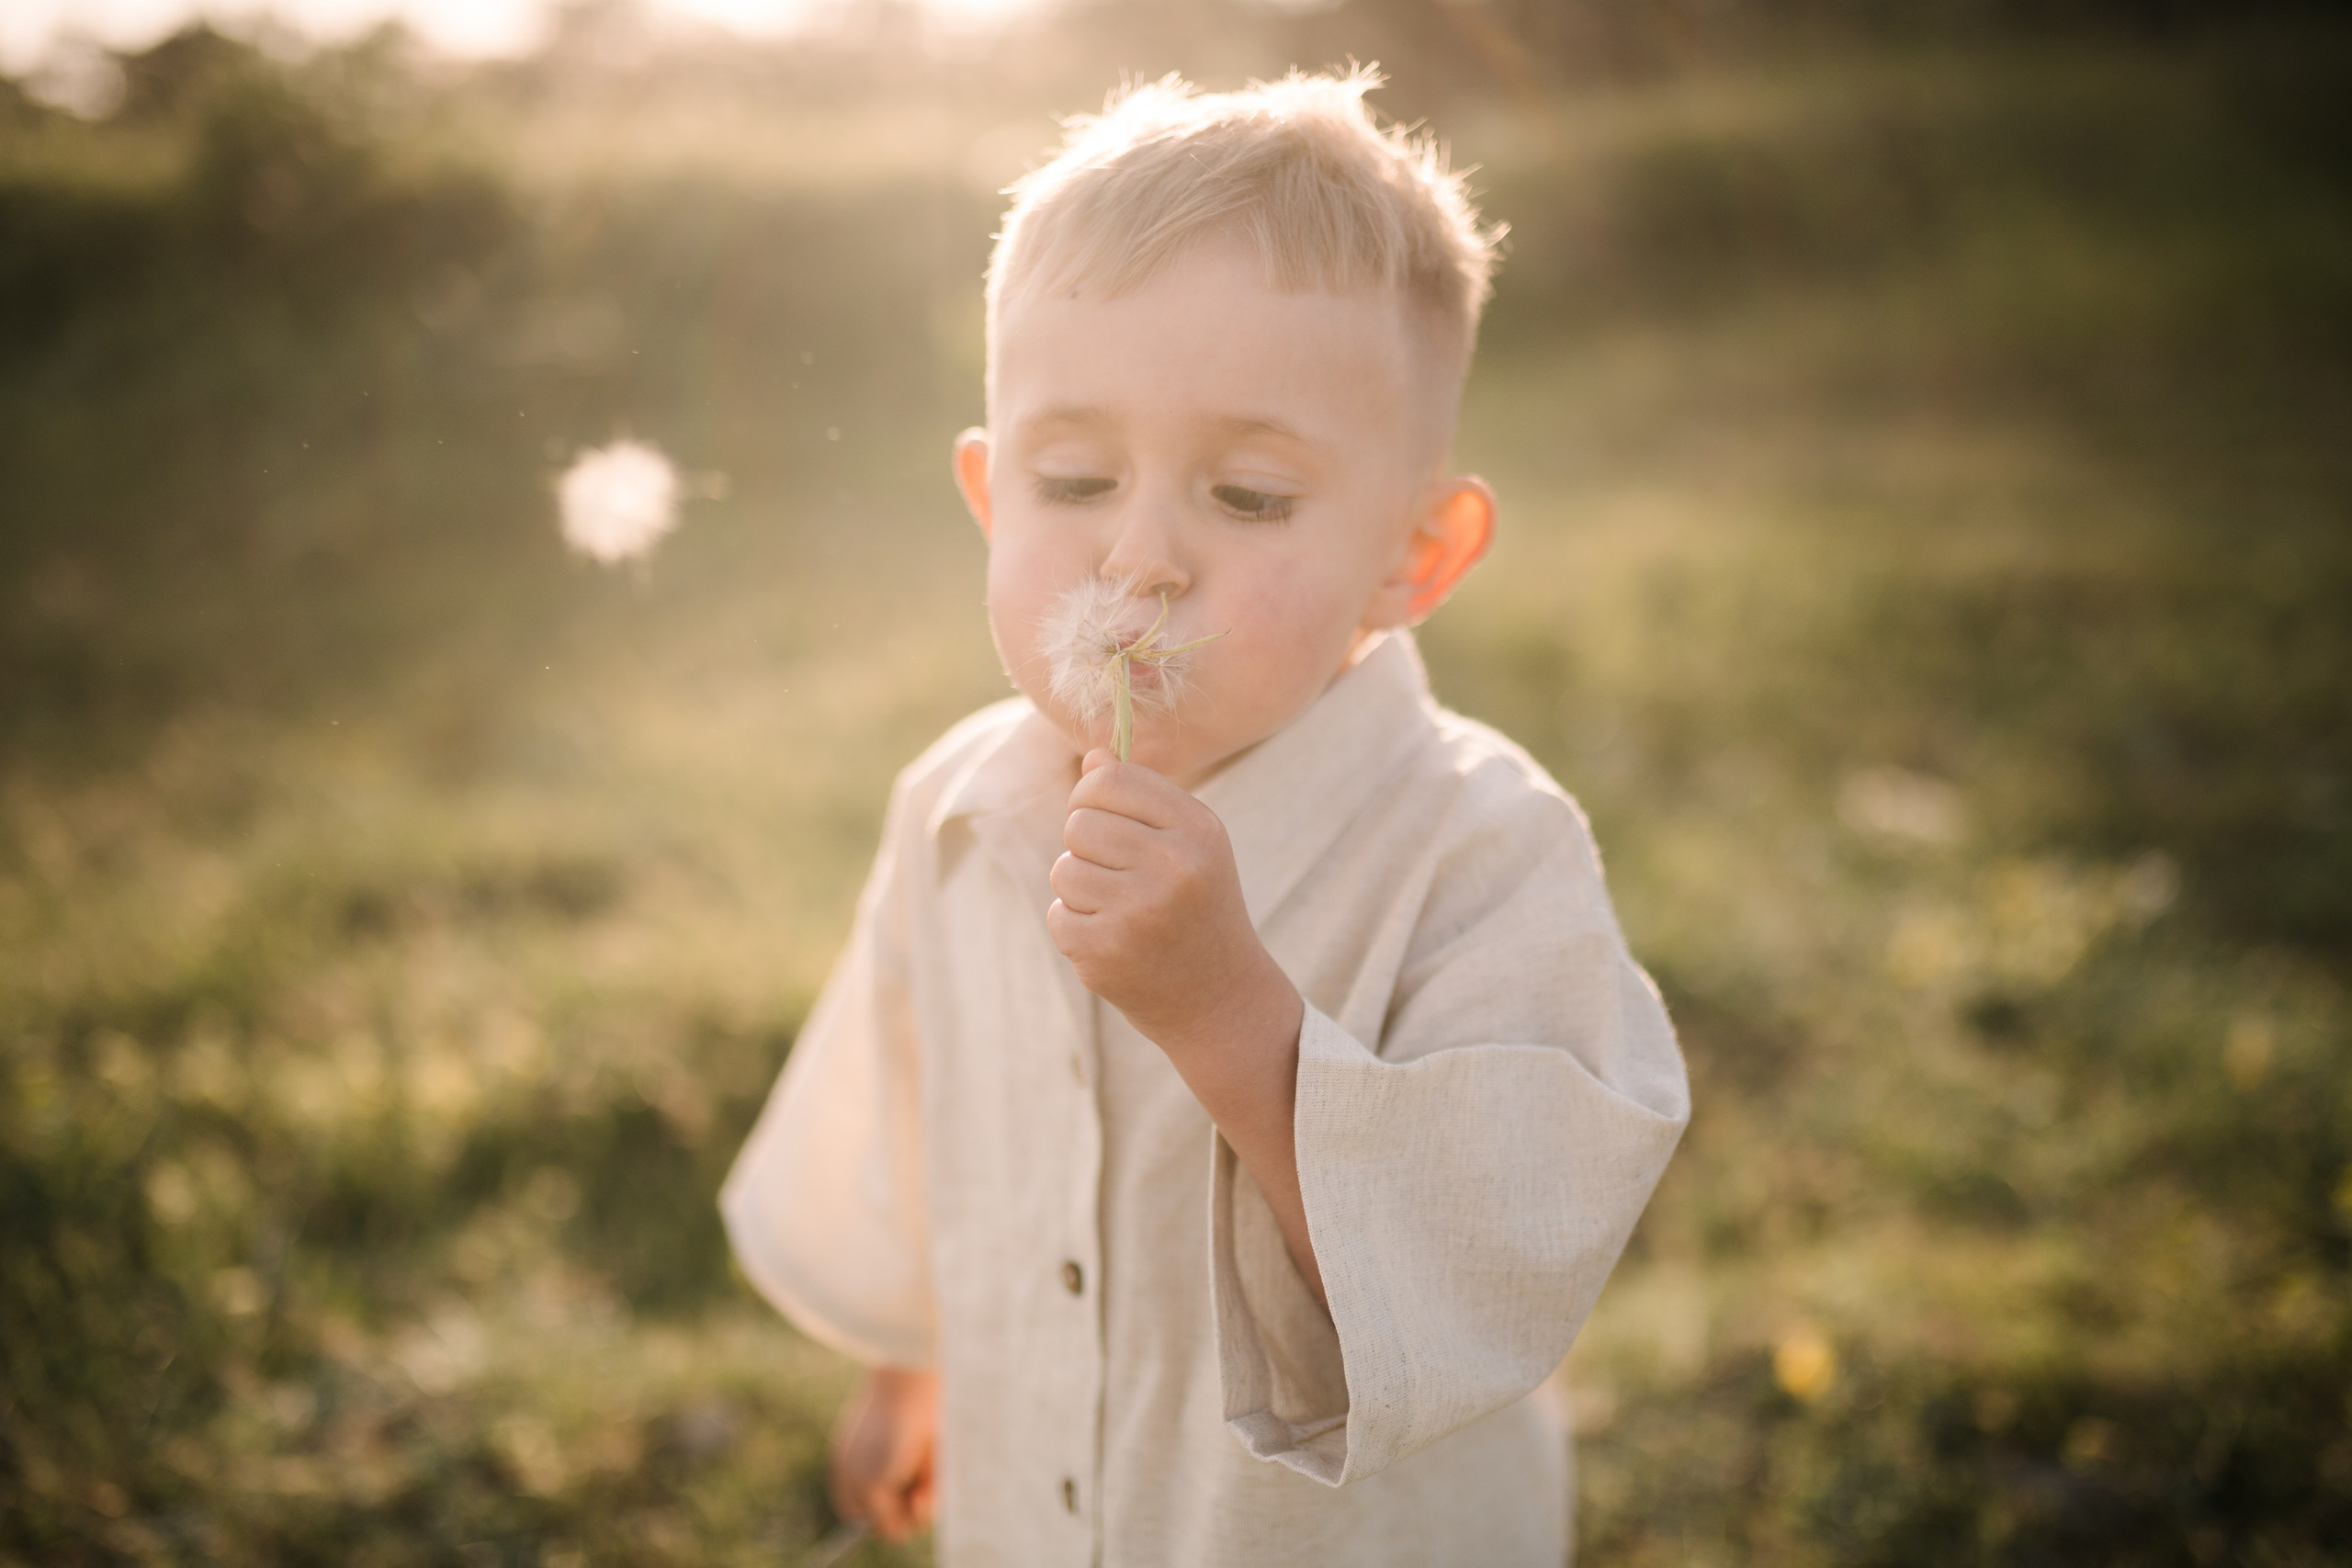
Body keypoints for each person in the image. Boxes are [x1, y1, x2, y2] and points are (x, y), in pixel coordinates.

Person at [721, 66, 1689, 1567]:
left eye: (1247, 496)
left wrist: (1232, 1013)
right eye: (1074, 477)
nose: (1143, 550)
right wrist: (909, 1362)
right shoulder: (960, 814)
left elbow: (1488, 1255)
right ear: (989, 497)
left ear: (1413, 552)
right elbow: (917, 1124)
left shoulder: (1480, 848)